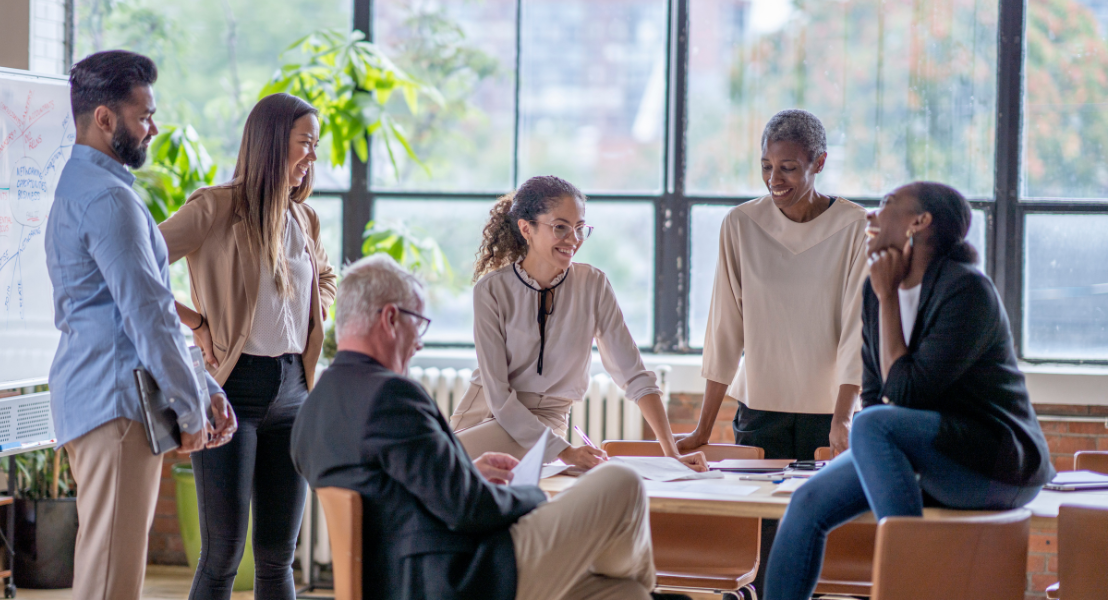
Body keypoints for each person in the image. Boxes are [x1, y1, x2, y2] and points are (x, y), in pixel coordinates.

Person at [291, 255, 690, 600]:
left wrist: (464, 472)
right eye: (420, 324)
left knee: (624, 593)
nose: (420, 344)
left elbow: (389, 495)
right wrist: (533, 494)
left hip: (403, 582)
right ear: (391, 319)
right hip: (459, 579)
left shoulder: (314, 408)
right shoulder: (393, 397)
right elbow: (469, 509)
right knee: (622, 482)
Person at [762, 182, 1056, 600]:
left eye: (886, 204)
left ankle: (914, 586)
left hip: (995, 465)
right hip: (925, 454)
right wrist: (882, 296)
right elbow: (876, 389)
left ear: (919, 222)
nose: (871, 214)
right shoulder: (873, 291)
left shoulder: (967, 290)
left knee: (872, 425)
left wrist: (888, 298)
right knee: (807, 503)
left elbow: (904, 395)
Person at [45, 50, 237, 600]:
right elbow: (149, 316)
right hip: (117, 407)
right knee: (110, 583)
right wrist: (192, 406)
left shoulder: (83, 186)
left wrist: (203, 387)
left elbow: (145, 307)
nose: (153, 128)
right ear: (104, 118)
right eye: (143, 115)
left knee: (106, 571)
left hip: (102, 399)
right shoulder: (109, 199)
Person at [158, 93, 336, 599]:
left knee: (279, 557)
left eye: (315, 146)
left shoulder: (304, 219)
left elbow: (326, 276)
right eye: (305, 144)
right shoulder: (215, 207)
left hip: (294, 393)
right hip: (232, 390)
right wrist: (196, 323)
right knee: (223, 555)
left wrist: (313, 308)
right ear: (272, 142)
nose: (312, 158)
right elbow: (136, 262)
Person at [449, 175, 706, 472]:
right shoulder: (491, 290)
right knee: (435, 476)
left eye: (580, 228)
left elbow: (634, 375)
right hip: (484, 413)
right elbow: (499, 398)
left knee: (438, 473)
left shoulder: (593, 284)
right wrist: (567, 452)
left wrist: (671, 454)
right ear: (526, 228)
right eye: (560, 227)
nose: (573, 239)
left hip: (545, 423)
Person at [677, 109, 868, 461]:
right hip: (759, 411)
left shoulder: (856, 227)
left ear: (819, 162)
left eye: (788, 167)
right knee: (757, 515)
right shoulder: (740, 224)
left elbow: (857, 334)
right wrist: (703, 428)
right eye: (766, 166)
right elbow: (726, 330)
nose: (774, 178)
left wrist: (843, 417)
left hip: (831, 413)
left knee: (821, 515)